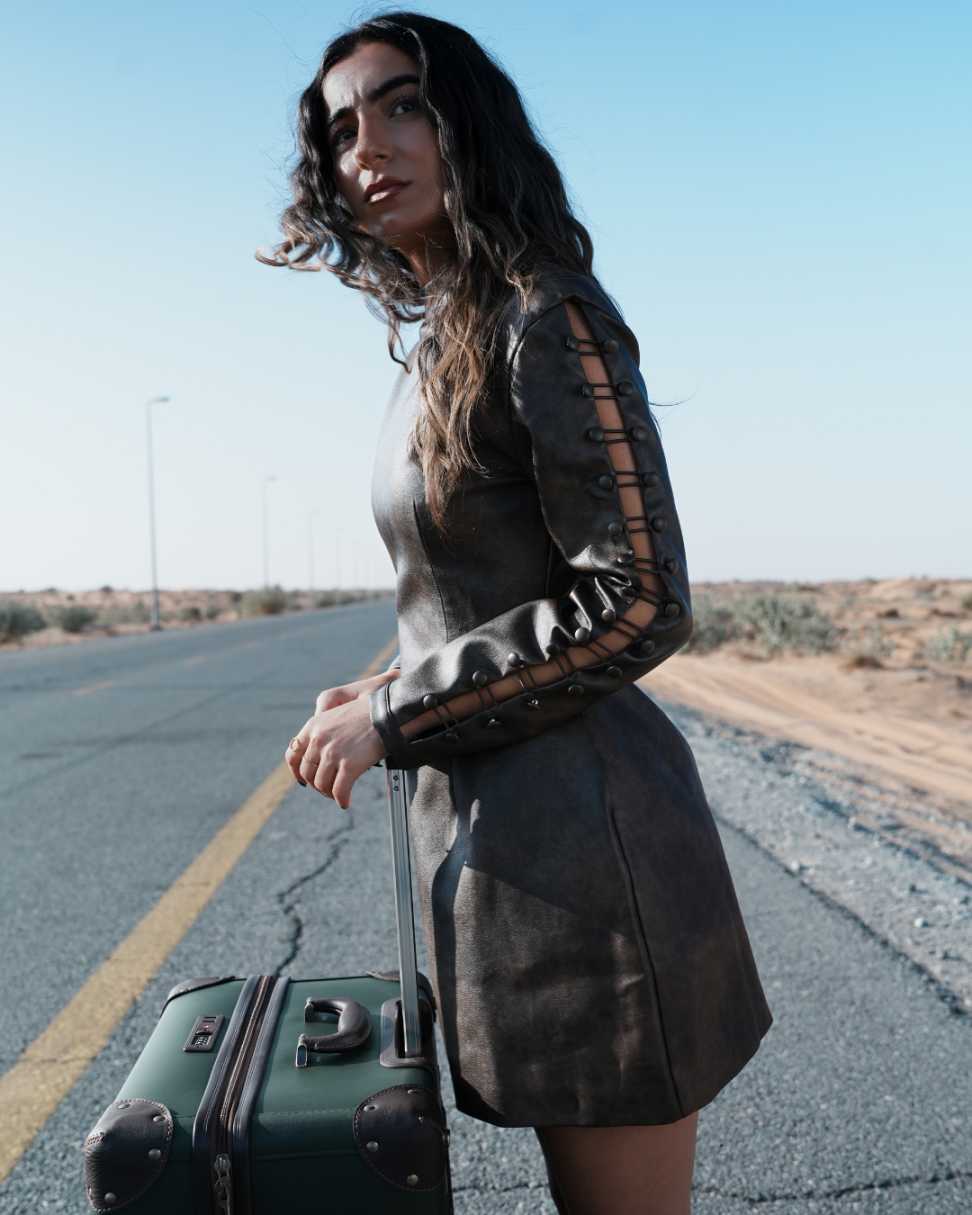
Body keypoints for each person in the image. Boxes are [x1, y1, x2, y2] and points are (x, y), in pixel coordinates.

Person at [265, 12, 773, 1214]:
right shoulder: (449, 336)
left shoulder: (548, 314)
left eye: (401, 106)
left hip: (597, 867)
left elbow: (638, 598)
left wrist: (397, 710)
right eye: (342, 128)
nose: (366, 148)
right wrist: (385, 672)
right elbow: (487, 587)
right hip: (502, 856)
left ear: (470, 125)